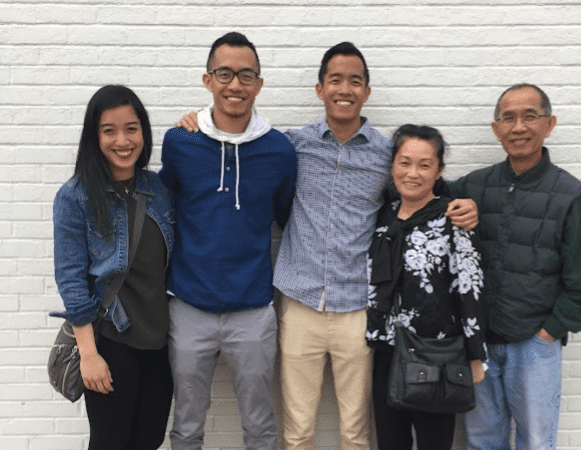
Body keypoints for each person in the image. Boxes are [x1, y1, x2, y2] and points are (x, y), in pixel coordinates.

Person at [177, 42, 478, 450]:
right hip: (299, 302)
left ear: (366, 92)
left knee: (356, 430)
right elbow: (247, 156)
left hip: (358, 306)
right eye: (335, 79)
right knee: (297, 429)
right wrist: (197, 123)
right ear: (320, 89)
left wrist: (463, 202)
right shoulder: (291, 145)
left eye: (355, 81)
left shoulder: (386, 152)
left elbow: (418, 182)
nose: (345, 89)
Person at [450, 84, 581, 450]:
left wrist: (548, 333)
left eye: (529, 116)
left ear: (549, 124)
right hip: (481, 346)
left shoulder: (569, 195)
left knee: (537, 442)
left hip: (534, 346)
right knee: (481, 441)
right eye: (508, 118)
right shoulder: (474, 186)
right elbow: (421, 196)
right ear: (496, 129)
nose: (518, 127)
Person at [159, 32, 297, 450]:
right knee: (185, 424)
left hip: (253, 310)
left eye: (245, 75)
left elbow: (285, 217)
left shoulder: (279, 150)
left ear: (258, 83)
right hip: (188, 306)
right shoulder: (179, 142)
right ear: (207, 79)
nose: (234, 85)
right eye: (224, 74)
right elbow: (164, 212)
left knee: (259, 424)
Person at [51, 85, 175, 450]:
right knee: (109, 443)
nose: (123, 140)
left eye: (132, 128)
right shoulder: (75, 197)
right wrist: (89, 356)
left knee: (148, 442)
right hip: (110, 342)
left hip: (159, 344)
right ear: (95, 136)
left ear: (144, 132)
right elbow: (71, 281)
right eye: (109, 130)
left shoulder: (159, 188)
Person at [366, 124, 487, 450]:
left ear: (439, 170)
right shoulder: (383, 216)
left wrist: (475, 355)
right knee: (391, 443)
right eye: (405, 163)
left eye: (424, 165)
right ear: (392, 164)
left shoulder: (453, 219)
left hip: (437, 352)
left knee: (434, 443)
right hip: (388, 350)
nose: (413, 173)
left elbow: (471, 285)